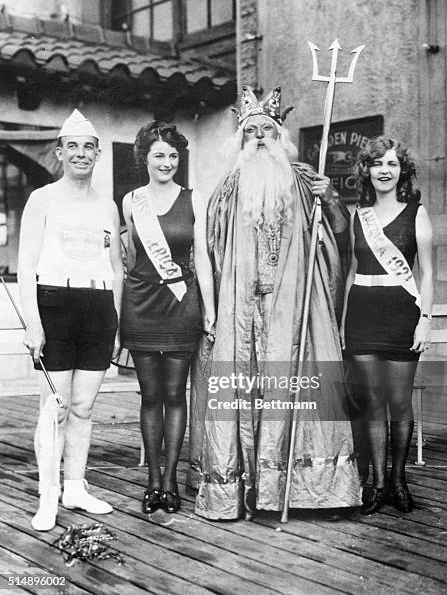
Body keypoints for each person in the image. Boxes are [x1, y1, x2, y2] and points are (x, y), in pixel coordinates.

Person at [188, 85, 361, 520]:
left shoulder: (305, 181)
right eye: (252, 132)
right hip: (241, 306)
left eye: (268, 129)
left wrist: (331, 197)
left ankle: (314, 492)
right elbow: (209, 250)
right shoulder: (227, 189)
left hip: (297, 306)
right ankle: (244, 493)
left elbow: (339, 233)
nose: (260, 138)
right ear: (241, 142)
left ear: (281, 137)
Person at [18, 109, 123, 531]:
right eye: (72, 147)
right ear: (59, 152)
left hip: (97, 308)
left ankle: (75, 487)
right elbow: (26, 264)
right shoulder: (41, 198)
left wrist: (114, 320)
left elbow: (116, 268)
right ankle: (49, 498)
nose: (81, 154)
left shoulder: (108, 205)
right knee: (55, 408)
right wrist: (33, 322)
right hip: (54, 304)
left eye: (88, 147)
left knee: (83, 406)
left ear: (98, 154)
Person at [120, 121, 215, 514]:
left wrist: (209, 310)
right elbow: (126, 257)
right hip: (141, 305)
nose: (167, 162)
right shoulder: (130, 201)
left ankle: (171, 481)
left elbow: (204, 260)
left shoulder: (194, 199)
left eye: (173, 155)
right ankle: (152, 480)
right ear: (145, 158)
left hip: (181, 305)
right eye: (159, 154)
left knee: (175, 395)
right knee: (150, 395)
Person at [343, 136, 433, 514]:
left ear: (402, 171)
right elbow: (351, 273)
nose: (384, 170)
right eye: (377, 163)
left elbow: (427, 274)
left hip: (401, 315)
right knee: (373, 402)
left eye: (392, 164)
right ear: (368, 170)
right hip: (363, 314)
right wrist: (344, 323)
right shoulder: (357, 216)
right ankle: (378, 484)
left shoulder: (417, 213)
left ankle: (399, 481)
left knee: (399, 401)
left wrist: (424, 321)